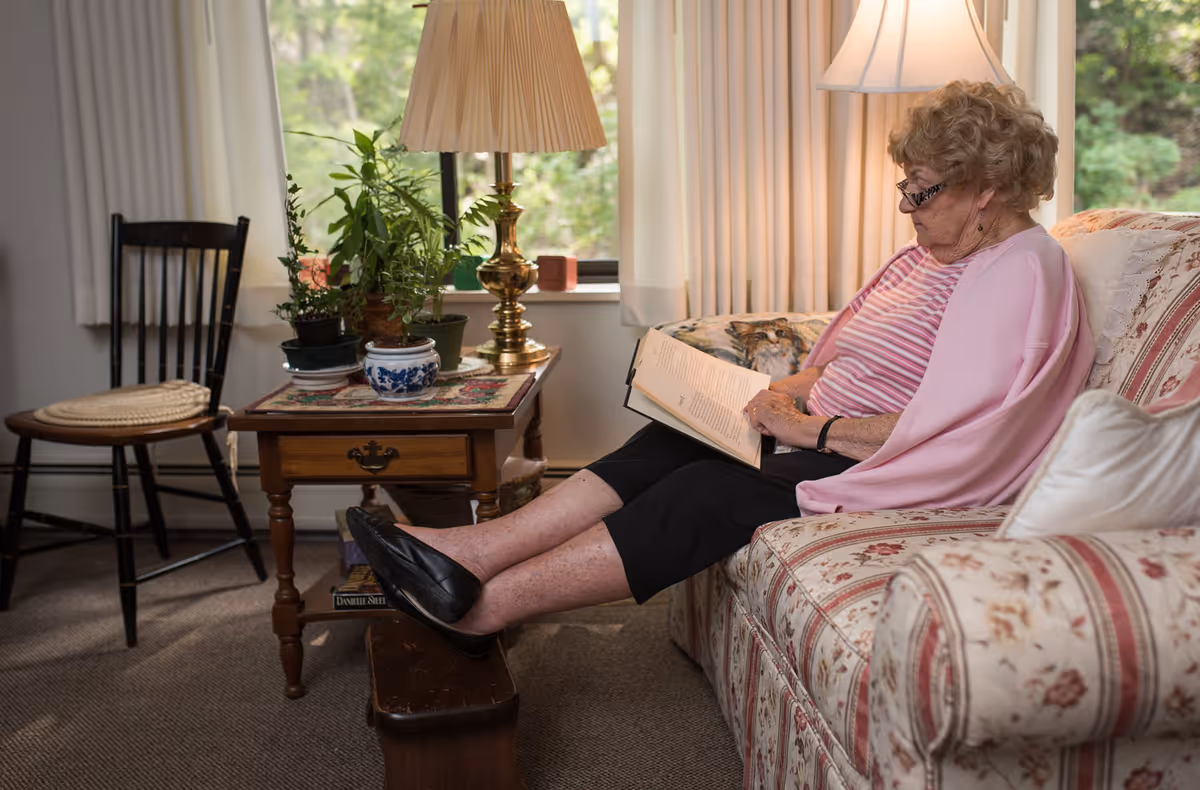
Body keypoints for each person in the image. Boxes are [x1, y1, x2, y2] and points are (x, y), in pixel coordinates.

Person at [347, 80, 1095, 658]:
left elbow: (955, 427)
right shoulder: (939, 254)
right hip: (815, 432)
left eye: (921, 189)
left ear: (986, 187)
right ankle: (472, 551)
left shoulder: (1017, 272)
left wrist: (812, 427)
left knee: (706, 491)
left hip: (870, 462)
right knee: (670, 441)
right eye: (907, 186)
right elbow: (852, 351)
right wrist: (786, 390)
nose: (907, 206)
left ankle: (483, 608)